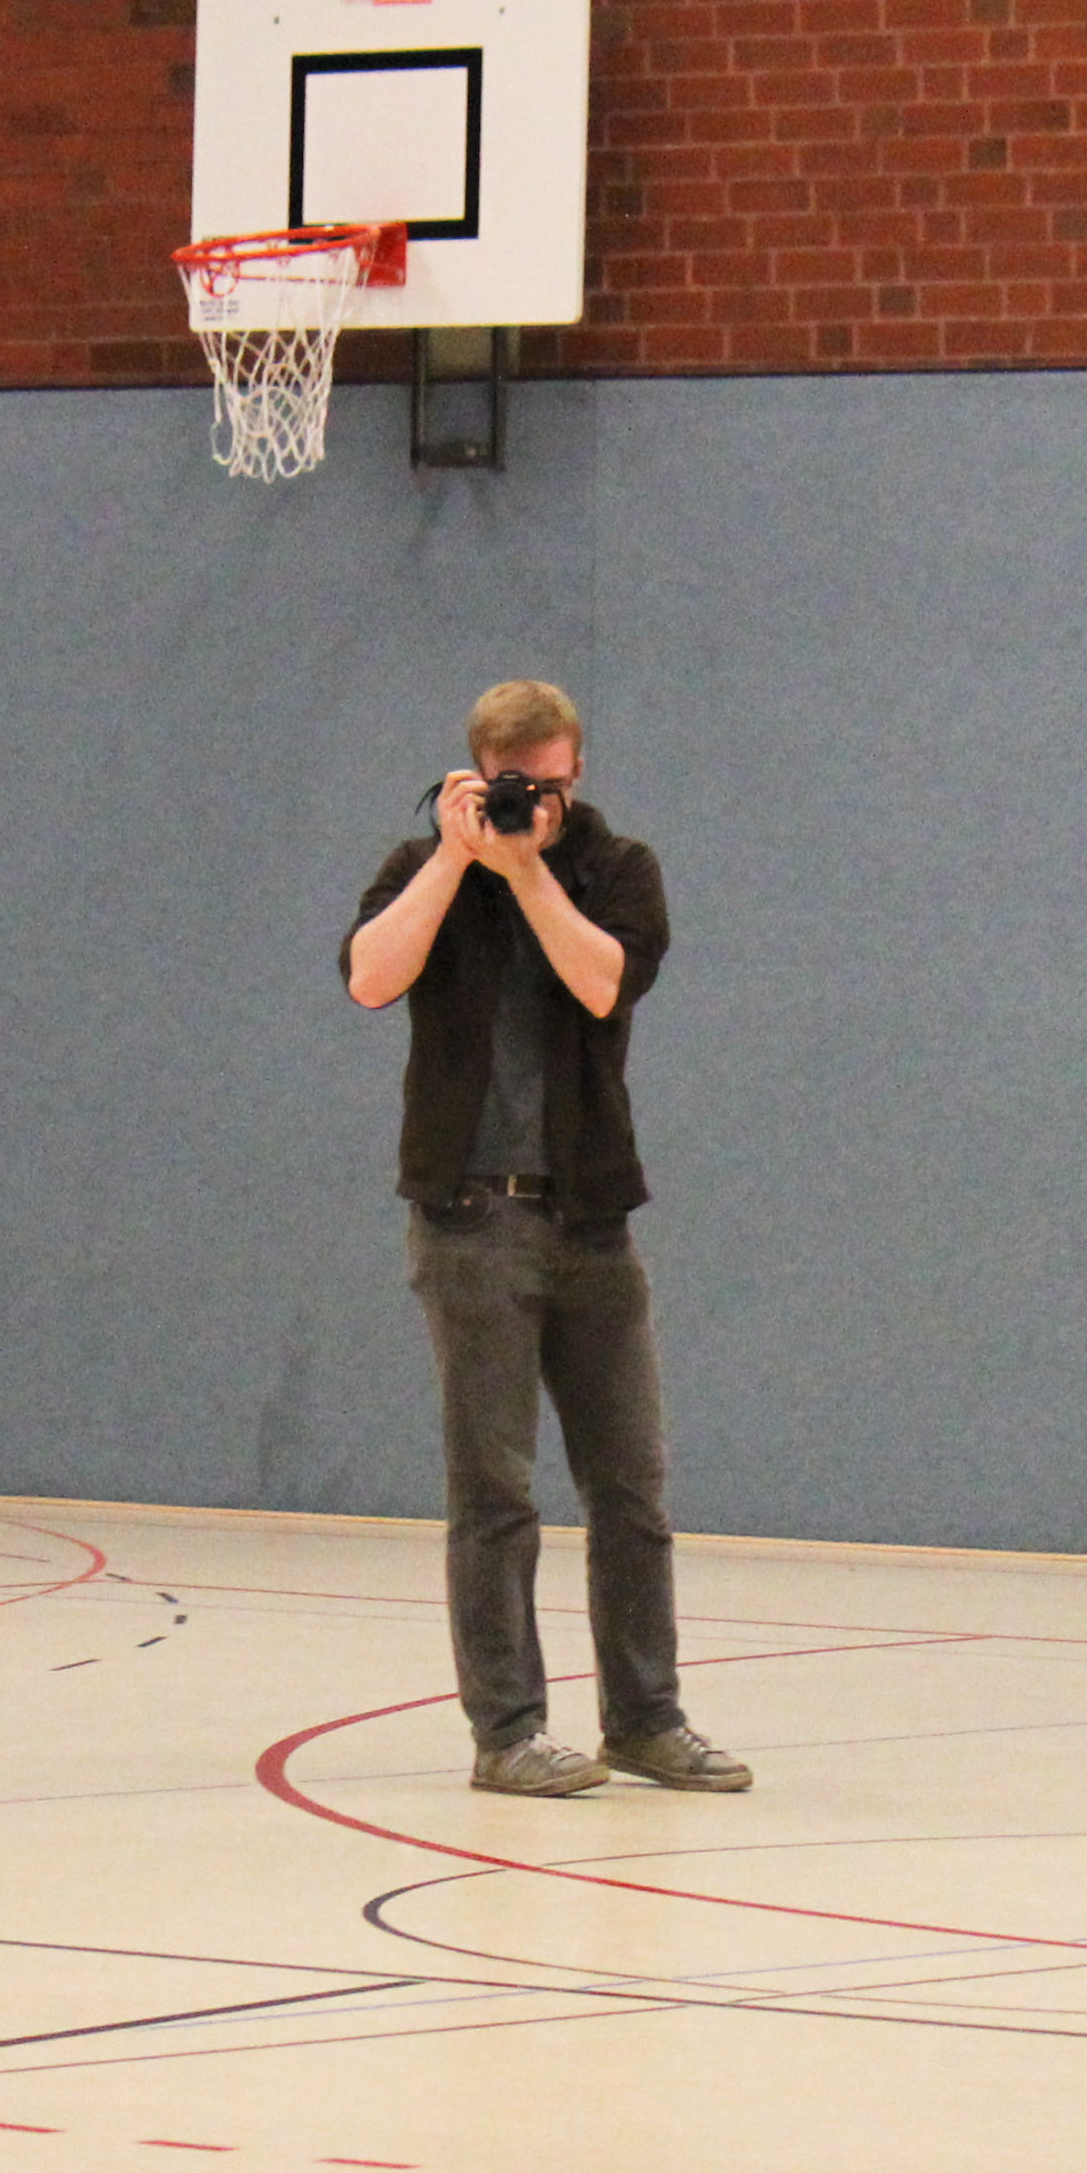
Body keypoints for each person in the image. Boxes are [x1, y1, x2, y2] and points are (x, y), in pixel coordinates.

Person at [343, 680, 746, 1799]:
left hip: (591, 1220)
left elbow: (605, 983)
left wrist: (528, 873)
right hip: (469, 1220)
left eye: (558, 785)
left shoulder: (617, 869)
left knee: (631, 1489)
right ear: (477, 774)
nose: (541, 804)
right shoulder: (423, 865)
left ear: (580, 772)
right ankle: (508, 1731)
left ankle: (646, 1720)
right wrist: (453, 858)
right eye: (520, 786)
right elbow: (370, 978)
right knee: (495, 1492)